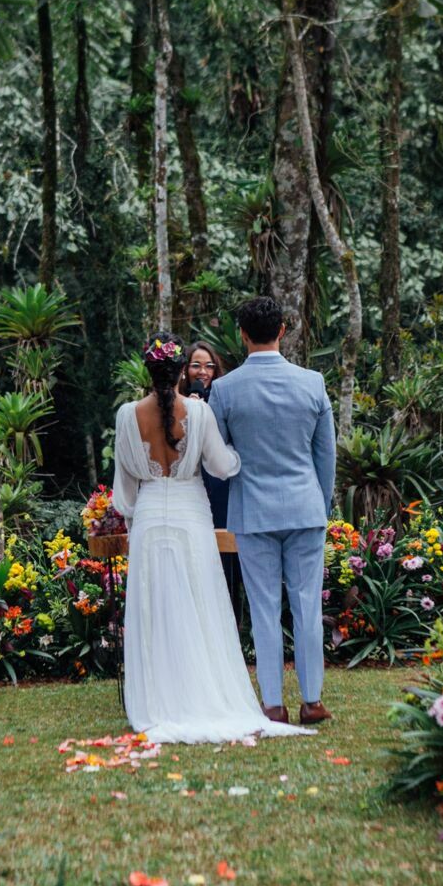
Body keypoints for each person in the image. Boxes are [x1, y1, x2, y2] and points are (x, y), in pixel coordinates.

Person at [111, 333, 313, 744]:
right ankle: (204, 693)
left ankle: (160, 701)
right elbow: (222, 466)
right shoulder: (200, 413)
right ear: (182, 370)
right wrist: (242, 455)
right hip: (191, 516)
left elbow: (124, 493)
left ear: (148, 371)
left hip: (150, 518)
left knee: (156, 609)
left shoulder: (126, 414)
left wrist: (140, 507)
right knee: (200, 607)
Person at [208, 296, 335, 726]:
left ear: (241, 334)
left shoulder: (223, 390)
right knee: (306, 607)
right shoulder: (313, 383)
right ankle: (312, 700)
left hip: (253, 511)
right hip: (305, 507)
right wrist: (322, 504)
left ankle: (272, 704)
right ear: (282, 329)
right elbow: (326, 457)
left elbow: (219, 458)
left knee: (263, 609)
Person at [179, 340, 242, 618]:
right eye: (196, 365)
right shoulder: (177, 401)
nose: (202, 372)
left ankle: (233, 612)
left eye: (208, 366)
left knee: (226, 547)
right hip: (190, 482)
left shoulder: (224, 399)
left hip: (220, 481)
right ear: (185, 370)